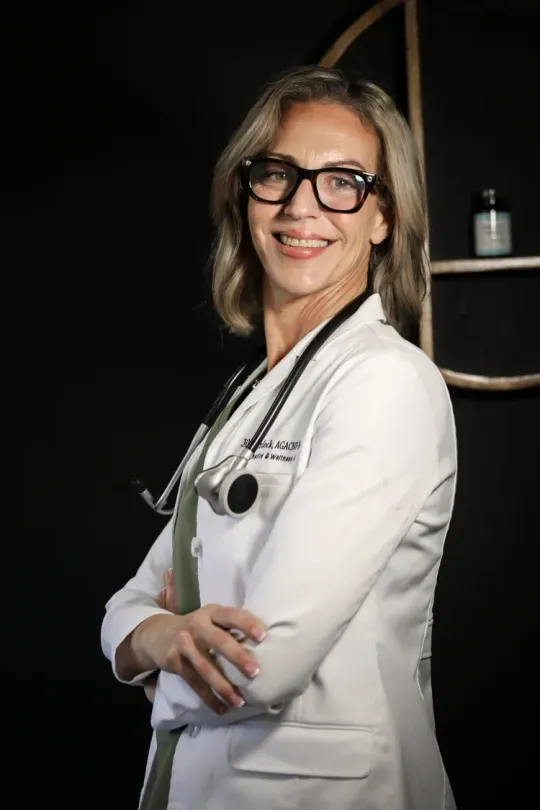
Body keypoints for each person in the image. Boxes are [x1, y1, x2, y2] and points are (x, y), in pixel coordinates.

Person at [101, 64, 457, 810]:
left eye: (342, 182)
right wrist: (164, 638)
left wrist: (155, 656)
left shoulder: (383, 384)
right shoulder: (251, 396)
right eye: (278, 174)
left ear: (383, 216)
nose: (303, 207)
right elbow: (123, 609)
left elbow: (263, 661)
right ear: (245, 189)